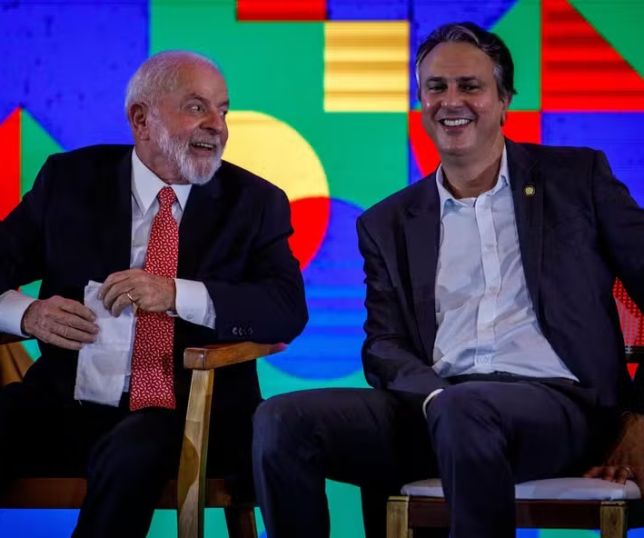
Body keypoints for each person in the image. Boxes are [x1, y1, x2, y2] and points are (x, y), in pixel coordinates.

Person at [252, 21, 644, 538]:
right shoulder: (388, 222)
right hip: (436, 404)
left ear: (504, 101)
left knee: (466, 411)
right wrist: (433, 395)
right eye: (436, 87)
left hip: (559, 409)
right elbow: (383, 346)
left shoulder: (577, 179)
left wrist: (639, 417)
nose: (450, 101)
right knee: (281, 420)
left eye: (470, 86)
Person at [0, 50, 307, 537]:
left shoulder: (254, 203)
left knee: (132, 452)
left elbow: (286, 309)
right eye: (197, 107)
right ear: (141, 119)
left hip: (190, 415)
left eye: (223, 110)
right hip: (67, 402)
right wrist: (27, 315)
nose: (217, 126)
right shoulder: (69, 181)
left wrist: (174, 293)